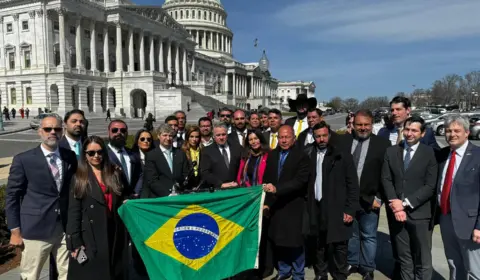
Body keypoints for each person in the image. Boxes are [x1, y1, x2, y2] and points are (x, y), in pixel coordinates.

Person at [6, 114, 77, 280]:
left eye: (57, 129)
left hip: (63, 228)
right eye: (48, 129)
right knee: (31, 275)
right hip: (35, 229)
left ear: (62, 132)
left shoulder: (69, 156)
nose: (52, 132)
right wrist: (14, 231)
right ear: (40, 131)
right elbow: (12, 196)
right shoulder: (24, 160)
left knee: (67, 273)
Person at [66, 136, 131, 280]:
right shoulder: (79, 178)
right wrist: (75, 242)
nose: (96, 156)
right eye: (91, 153)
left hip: (114, 231)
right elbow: (74, 211)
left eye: (100, 152)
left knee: (116, 271)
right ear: (85, 155)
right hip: (90, 235)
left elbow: (124, 196)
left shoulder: (115, 173)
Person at [382, 116, 438, 280]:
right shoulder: (391, 151)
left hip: (420, 214)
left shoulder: (429, 153)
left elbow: (430, 186)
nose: (409, 133)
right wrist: (394, 202)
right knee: (404, 258)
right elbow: (386, 179)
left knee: (422, 259)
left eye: (414, 130)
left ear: (422, 133)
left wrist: (404, 204)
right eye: (407, 129)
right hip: (397, 215)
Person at [338, 109, 390, 279]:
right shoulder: (343, 141)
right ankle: (352, 262)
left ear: (371, 124)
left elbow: (386, 174)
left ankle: (367, 267)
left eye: (366, 124)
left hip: (370, 199)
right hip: (348, 199)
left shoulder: (383, 144)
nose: (362, 128)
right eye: (359, 124)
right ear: (353, 125)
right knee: (352, 234)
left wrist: (380, 198)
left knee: (368, 235)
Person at [305, 121, 359, 280]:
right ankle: (321, 273)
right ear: (314, 137)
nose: (321, 139)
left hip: (337, 206)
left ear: (329, 135)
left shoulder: (342, 155)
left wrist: (350, 209)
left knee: (340, 243)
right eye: (318, 136)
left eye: (324, 136)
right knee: (318, 242)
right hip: (315, 205)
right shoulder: (308, 153)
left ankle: (340, 273)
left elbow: (353, 185)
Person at [435, 114, 480, 279]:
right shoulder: (442, 154)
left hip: (470, 223)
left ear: (467, 132)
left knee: (474, 269)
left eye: (456, 130)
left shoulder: (477, 155)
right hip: (446, 217)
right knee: (454, 263)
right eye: (448, 130)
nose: (451, 134)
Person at [262, 125, 310, 280]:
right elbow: (268, 179)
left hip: (293, 204)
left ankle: (298, 273)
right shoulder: (273, 155)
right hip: (276, 205)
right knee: (279, 240)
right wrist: (267, 202)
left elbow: (300, 181)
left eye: (287, 137)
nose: (283, 140)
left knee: (295, 242)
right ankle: (284, 270)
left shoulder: (302, 156)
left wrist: (277, 189)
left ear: (293, 139)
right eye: (281, 137)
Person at [236, 129, 272, 278]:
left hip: (264, 199)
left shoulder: (268, 156)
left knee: (263, 236)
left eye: (256, 138)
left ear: (261, 139)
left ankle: (264, 268)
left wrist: (266, 201)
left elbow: (270, 178)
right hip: (249, 200)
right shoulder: (246, 157)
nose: (254, 142)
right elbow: (240, 177)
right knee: (250, 236)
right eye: (250, 139)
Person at [142, 124, 190, 198]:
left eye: (170, 136)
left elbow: (185, 174)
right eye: (165, 135)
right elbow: (151, 180)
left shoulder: (180, 153)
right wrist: (168, 194)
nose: (168, 138)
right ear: (158, 136)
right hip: (160, 198)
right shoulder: (151, 155)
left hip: (179, 195)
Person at [106, 120, 143, 197]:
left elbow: (140, 174)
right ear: (109, 132)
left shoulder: (132, 154)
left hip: (131, 201)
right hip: (112, 200)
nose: (119, 133)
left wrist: (136, 192)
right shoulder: (102, 153)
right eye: (115, 130)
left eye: (123, 130)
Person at [199, 124, 242, 190]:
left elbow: (242, 167)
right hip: (218, 189)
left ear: (227, 135)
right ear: (213, 136)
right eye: (218, 135)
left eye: (223, 134)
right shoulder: (207, 151)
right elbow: (205, 172)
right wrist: (220, 184)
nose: (221, 137)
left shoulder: (237, 148)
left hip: (236, 187)